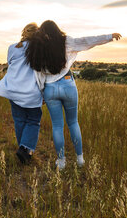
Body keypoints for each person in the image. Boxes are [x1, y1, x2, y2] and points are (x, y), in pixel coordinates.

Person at [25, 20, 121, 170]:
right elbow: (87, 41)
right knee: (73, 123)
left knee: (57, 126)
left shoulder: (38, 48)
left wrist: (42, 93)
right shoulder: (66, 42)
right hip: (68, 83)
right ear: (57, 30)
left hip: (50, 88)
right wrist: (109, 36)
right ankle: (80, 159)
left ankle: (61, 161)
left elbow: (38, 75)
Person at [0, 23, 43, 164]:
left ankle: (23, 150)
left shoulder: (13, 48)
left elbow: (10, 65)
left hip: (13, 89)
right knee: (33, 120)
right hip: (31, 91)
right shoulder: (39, 50)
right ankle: (25, 148)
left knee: (19, 119)